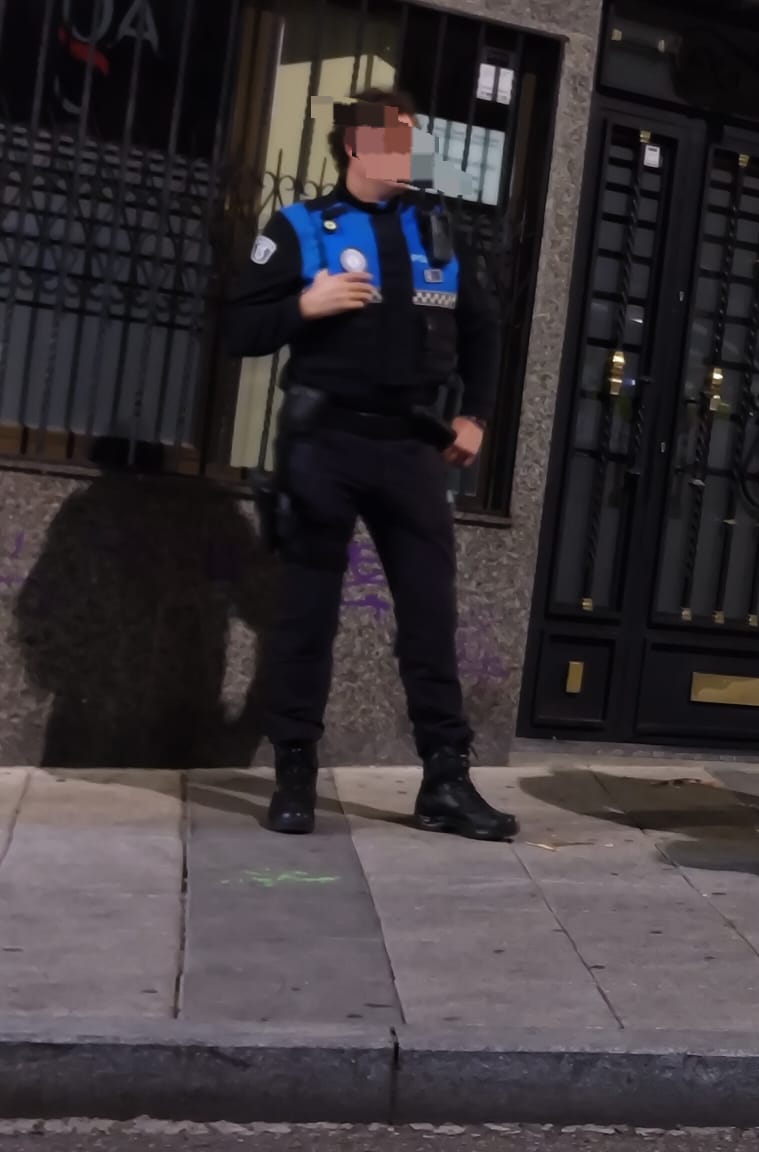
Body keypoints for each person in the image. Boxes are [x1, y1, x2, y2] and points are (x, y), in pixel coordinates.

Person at [221, 88, 516, 840]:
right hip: (324, 444)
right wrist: (305, 308)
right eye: (400, 141)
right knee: (306, 616)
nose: (413, 156)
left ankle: (445, 779)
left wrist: (474, 417)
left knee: (428, 615)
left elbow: (484, 332)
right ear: (358, 146)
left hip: (412, 448)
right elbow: (238, 328)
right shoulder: (298, 229)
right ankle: (294, 774)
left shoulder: (439, 230)